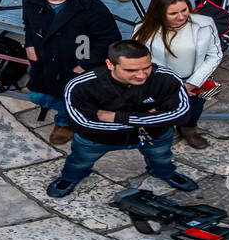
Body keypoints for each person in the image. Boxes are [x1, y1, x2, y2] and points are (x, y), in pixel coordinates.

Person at [46, 38, 200, 198]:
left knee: (161, 157)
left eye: (146, 67)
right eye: (131, 70)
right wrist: (152, 117)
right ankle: (70, 178)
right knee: (79, 161)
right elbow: (84, 124)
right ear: (110, 64)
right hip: (98, 139)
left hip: (152, 136)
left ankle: (164, 173)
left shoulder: (167, 78)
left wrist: (117, 117)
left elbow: (181, 114)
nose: (141, 75)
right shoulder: (81, 85)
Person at [19, 0, 120, 146]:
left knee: (71, 97)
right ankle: (81, 111)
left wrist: (85, 64)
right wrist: (30, 44)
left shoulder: (90, 6)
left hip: (77, 62)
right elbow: (29, 24)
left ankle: (66, 122)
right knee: (37, 95)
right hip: (45, 61)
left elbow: (109, 39)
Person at [135, 0, 226, 150]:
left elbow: (215, 54)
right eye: (173, 13)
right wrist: (173, 86)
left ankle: (188, 129)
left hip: (194, 79)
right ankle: (164, 130)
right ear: (160, 13)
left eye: (184, 10)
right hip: (160, 82)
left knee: (195, 107)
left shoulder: (204, 24)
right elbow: (138, 61)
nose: (181, 16)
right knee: (162, 108)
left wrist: (192, 83)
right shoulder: (143, 30)